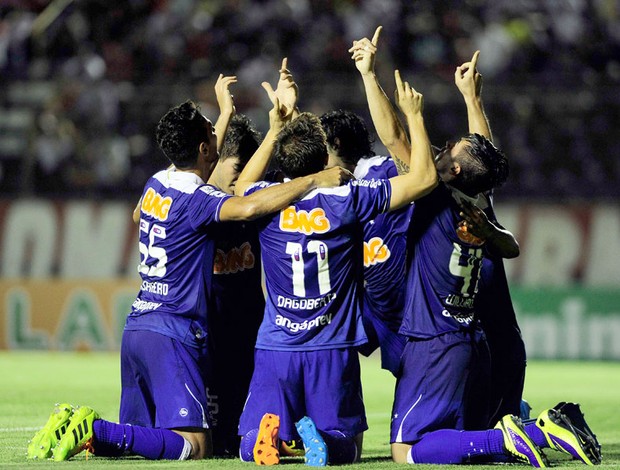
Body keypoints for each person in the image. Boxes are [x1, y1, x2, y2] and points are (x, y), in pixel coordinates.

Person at [26, 93, 353, 461]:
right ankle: (94, 426)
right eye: (211, 134)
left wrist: (229, 117)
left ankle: (91, 436)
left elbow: (139, 215)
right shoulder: (199, 202)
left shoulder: (156, 182)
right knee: (196, 448)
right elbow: (246, 202)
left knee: (145, 439)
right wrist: (314, 180)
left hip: (139, 324)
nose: (216, 134)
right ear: (204, 148)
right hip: (174, 331)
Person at [349, 28, 601, 467]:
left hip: (436, 341)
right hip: (476, 336)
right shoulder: (477, 202)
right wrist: (471, 98)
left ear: (454, 171)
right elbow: (483, 160)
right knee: (466, 441)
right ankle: (534, 428)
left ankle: (527, 431)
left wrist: (375, 80)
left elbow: (395, 140)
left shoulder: (435, 194)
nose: (445, 149)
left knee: (409, 450)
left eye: (451, 152)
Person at [235, 69, 438, 466]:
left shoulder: (263, 201)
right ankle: (315, 442)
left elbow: (241, 188)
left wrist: (276, 128)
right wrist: (414, 115)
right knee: (348, 449)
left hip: (276, 344)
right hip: (331, 346)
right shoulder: (345, 199)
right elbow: (423, 179)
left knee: (248, 444)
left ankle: (275, 441)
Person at [319, 109, 411, 375]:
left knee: (418, 394)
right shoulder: (323, 185)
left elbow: (417, 169)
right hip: (370, 303)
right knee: (322, 347)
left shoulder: (385, 171)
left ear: (335, 144)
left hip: (405, 310)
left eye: (319, 146)